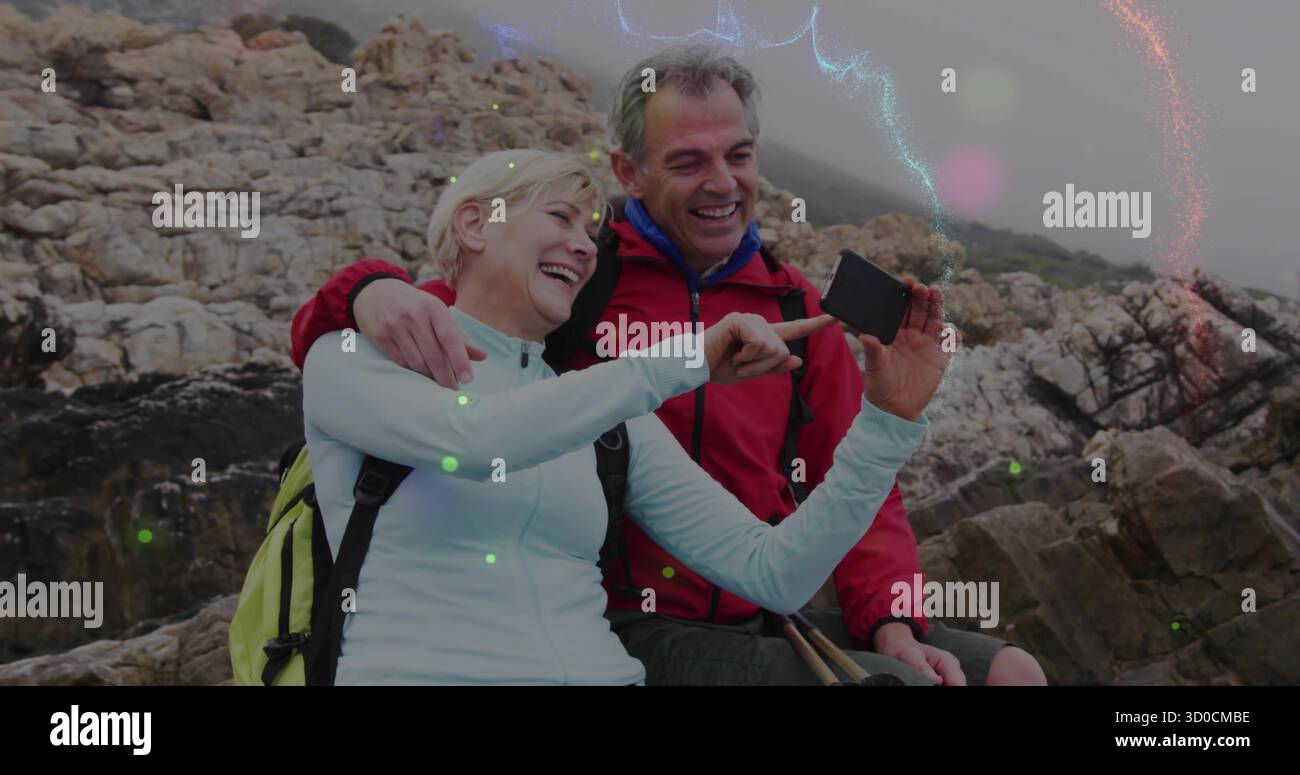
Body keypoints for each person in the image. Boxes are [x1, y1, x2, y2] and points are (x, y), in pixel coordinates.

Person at [292, 44, 1046, 686]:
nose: (722, 182)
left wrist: (889, 437)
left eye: (739, 156)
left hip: (735, 615)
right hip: (638, 626)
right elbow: (473, 401)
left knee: (1008, 671)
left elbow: (785, 554)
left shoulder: (789, 309)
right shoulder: (450, 332)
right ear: (631, 171)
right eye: (688, 161)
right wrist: (360, 289)